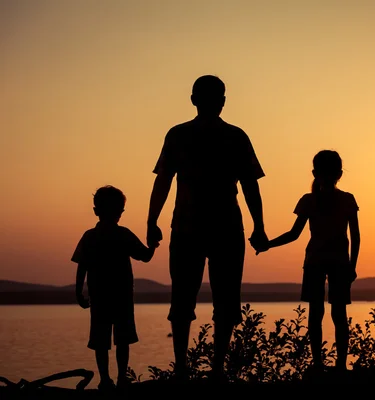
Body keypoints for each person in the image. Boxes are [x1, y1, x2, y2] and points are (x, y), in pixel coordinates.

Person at [146, 75, 268, 380]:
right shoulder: (230, 136)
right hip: (212, 227)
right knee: (214, 300)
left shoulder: (184, 135)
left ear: (193, 99)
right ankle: (208, 370)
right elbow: (250, 186)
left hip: (202, 227)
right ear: (221, 101)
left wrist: (152, 222)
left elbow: (163, 181)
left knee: (195, 299)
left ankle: (193, 370)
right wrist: (259, 226)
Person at [255, 150, 360, 372]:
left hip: (329, 263)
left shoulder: (340, 200)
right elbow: (295, 234)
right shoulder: (313, 201)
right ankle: (325, 364)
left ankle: (333, 364)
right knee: (327, 313)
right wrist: (268, 245)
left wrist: (352, 266)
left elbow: (356, 236)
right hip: (326, 262)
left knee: (329, 314)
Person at [72, 185, 157, 390]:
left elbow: (81, 266)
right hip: (120, 297)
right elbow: (145, 256)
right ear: (119, 211)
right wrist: (153, 243)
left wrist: (79, 292)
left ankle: (106, 379)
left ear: (96, 210)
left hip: (101, 297)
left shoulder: (90, 236)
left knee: (102, 341)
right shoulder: (122, 234)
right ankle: (119, 379)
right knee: (122, 339)